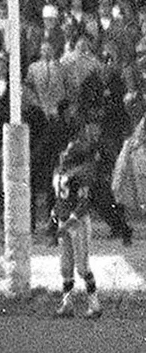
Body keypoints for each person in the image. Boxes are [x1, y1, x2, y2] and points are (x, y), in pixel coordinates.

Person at [52, 126, 103, 319]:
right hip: (64, 220)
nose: (65, 154)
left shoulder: (81, 173)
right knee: (65, 266)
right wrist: (55, 218)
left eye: (69, 151)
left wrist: (69, 221)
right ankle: (67, 304)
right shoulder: (59, 172)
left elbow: (84, 203)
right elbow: (59, 199)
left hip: (78, 222)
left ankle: (94, 304)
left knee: (82, 266)